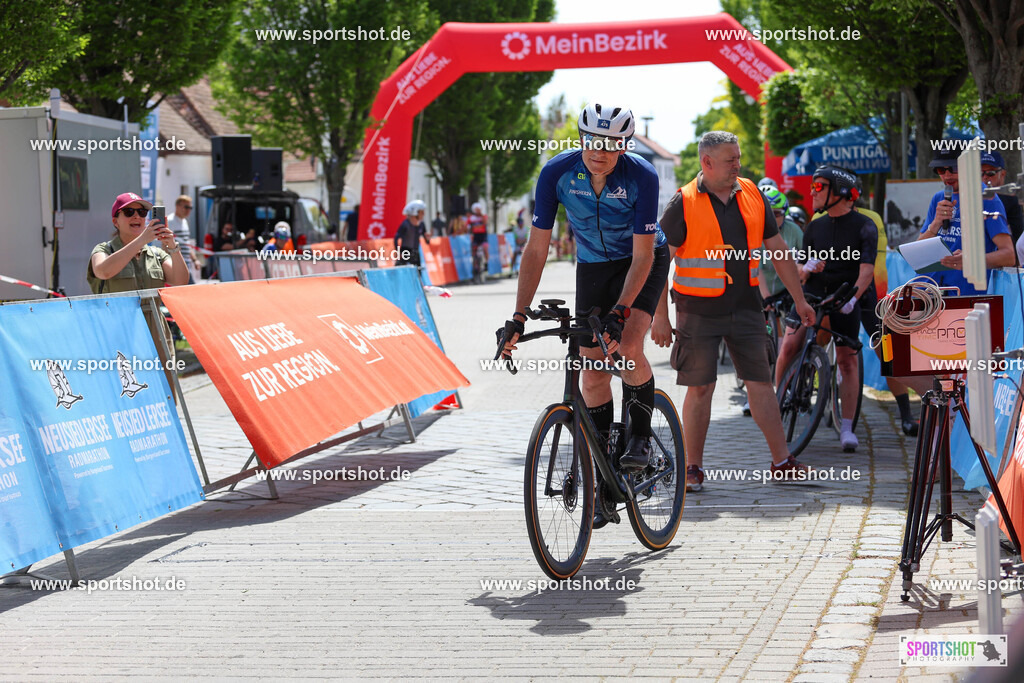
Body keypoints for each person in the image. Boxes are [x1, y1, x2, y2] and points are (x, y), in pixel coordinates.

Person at [502, 101, 671, 527]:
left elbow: (642, 255)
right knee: (592, 367)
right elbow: (537, 248)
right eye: (594, 141)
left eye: (612, 143)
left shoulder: (641, 177)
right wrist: (519, 315)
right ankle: (604, 474)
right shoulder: (556, 174)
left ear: (624, 145)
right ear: (581, 140)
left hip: (642, 259)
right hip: (594, 265)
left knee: (627, 344)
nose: (601, 151)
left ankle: (639, 440)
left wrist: (620, 312)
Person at [652, 131, 816, 492]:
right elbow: (658, 262)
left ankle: (782, 461)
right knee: (701, 388)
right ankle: (692, 468)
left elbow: (778, 249)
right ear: (706, 163)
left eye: (738, 158)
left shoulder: (753, 194)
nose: (738, 165)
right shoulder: (684, 201)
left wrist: (800, 299)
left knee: (761, 383)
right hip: (697, 311)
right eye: (730, 160)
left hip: (746, 307)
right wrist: (660, 316)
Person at [772, 166, 876, 452]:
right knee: (790, 344)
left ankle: (847, 427)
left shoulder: (865, 226)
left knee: (847, 360)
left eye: (818, 187)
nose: (812, 192)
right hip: (814, 292)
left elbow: (866, 271)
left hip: (846, 294)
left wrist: (854, 299)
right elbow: (799, 272)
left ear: (840, 192)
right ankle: (777, 401)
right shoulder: (815, 226)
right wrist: (805, 267)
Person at [807, 176, 920, 436]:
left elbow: (873, 264)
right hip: (830, 293)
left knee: (888, 353)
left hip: (869, 295)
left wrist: (877, 297)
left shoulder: (871, 219)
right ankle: (805, 385)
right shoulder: (818, 218)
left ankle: (905, 415)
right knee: (816, 340)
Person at [88, 193, 188, 390]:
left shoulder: (156, 254)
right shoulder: (103, 250)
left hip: (155, 331)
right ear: (115, 221)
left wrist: (172, 247)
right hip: (118, 330)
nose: (137, 217)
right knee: (126, 391)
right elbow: (103, 270)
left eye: (142, 212)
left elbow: (180, 281)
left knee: (163, 390)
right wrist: (141, 240)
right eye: (129, 212)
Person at [917, 149, 1014, 295]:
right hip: (927, 291)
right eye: (941, 170)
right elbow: (918, 251)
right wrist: (935, 224)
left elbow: (1009, 256)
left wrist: (971, 261)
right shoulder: (939, 198)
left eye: (953, 168)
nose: (947, 175)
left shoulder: (987, 199)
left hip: (963, 297)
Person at [980, 151, 1023, 263]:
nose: (984, 177)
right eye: (980, 173)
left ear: (1002, 174)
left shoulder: (1009, 199)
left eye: (990, 173)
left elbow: (1017, 233)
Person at [167, 194, 198, 284]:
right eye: (186, 207)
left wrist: (195, 259)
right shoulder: (170, 221)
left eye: (190, 208)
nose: (188, 210)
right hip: (177, 264)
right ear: (178, 206)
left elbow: (186, 243)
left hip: (186, 263)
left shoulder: (184, 222)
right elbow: (165, 244)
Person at [394, 200, 426, 267]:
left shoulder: (421, 224)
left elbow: (426, 239)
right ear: (415, 212)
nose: (423, 214)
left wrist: (428, 238)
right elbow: (396, 238)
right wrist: (398, 251)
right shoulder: (405, 224)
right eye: (421, 212)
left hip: (415, 253)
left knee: (417, 273)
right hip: (405, 252)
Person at [468, 201, 489, 272]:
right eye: (476, 210)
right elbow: (465, 226)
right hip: (476, 236)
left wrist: (481, 215)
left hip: (483, 236)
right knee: (474, 250)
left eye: (479, 209)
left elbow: (485, 222)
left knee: (485, 248)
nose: (478, 211)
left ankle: (486, 263)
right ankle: (474, 266)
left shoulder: (484, 216)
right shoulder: (471, 218)